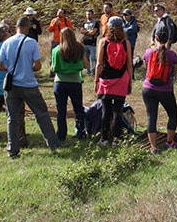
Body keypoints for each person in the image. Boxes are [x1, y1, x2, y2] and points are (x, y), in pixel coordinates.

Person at [0, 17, 61, 158]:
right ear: (27, 27)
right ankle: (53, 144)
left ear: (16, 27)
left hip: (12, 85)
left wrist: (11, 69)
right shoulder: (31, 42)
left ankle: (12, 150)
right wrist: (27, 69)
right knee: (41, 114)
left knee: (12, 118)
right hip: (28, 84)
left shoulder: (7, 42)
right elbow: (38, 66)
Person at [95, 16, 133, 147]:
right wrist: (130, 82)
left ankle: (104, 139)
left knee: (106, 110)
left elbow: (99, 63)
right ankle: (117, 139)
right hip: (121, 79)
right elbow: (129, 65)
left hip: (106, 80)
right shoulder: (126, 43)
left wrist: (96, 81)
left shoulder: (103, 42)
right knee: (118, 110)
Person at [142, 25, 177, 153]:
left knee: (151, 117)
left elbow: (147, 66)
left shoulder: (148, 52)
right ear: (168, 39)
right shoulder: (172, 55)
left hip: (148, 89)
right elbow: (174, 73)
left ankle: (153, 147)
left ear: (155, 37)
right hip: (165, 90)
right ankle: (169, 142)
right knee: (173, 114)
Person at [52, 27, 89, 142]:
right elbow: (86, 65)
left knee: (61, 110)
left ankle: (61, 134)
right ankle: (80, 132)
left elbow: (54, 68)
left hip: (60, 82)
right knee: (78, 109)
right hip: (74, 82)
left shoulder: (56, 50)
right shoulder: (79, 48)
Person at [79, 9, 100, 75]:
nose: (88, 16)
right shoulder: (84, 23)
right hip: (85, 43)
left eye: (89, 14)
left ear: (92, 14)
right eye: (87, 14)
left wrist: (86, 32)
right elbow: (81, 31)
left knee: (93, 58)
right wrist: (89, 31)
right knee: (86, 58)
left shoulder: (95, 23)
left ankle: (94, 71)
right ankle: (88, 72)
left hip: (92, 43)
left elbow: (93, 32)